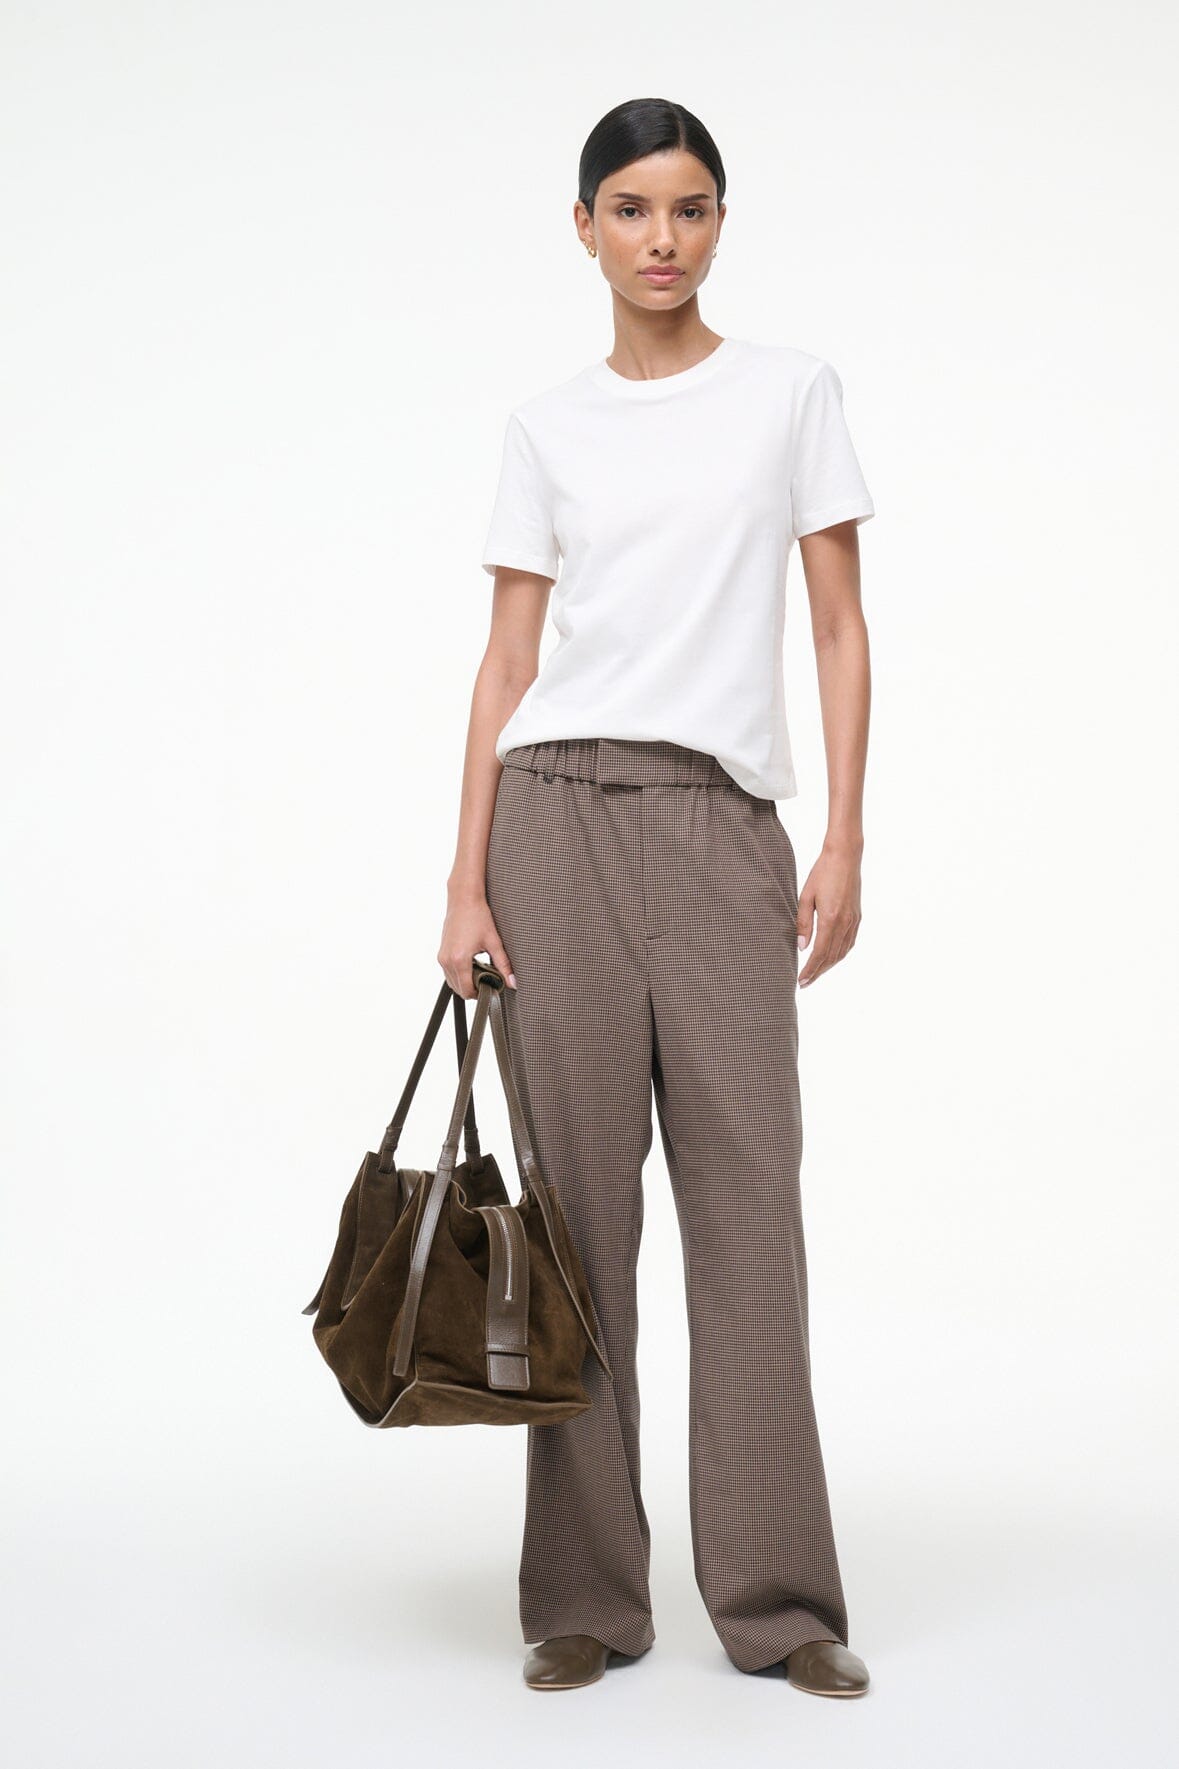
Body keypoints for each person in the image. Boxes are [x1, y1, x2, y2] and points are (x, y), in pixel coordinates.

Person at [439, 96, 875, 1699]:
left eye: (689, 208)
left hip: (718, 828)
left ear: (720, 222)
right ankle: (584, 1593)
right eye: (630, 209)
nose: (662, 239)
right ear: (585, 228)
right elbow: (507, 660)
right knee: (578, 1222)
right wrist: (463, 876)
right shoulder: (546, 427)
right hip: (553, 825)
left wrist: (843, 838)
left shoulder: (790, 395)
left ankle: (778, 1599)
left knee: (751, 1211)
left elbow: (838, 626)